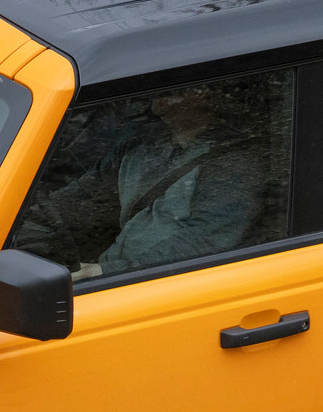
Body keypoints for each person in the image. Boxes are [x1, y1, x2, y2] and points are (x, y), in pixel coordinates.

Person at [14, 83, 275, 279]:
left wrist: (105, 271)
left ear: (206, 96)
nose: (160, 91)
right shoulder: (143, 146)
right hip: (119, 274)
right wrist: (19, 224)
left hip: (167, 285)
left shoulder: (235, 165)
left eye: (179, 86)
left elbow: (204, 244)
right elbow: (81, 199)